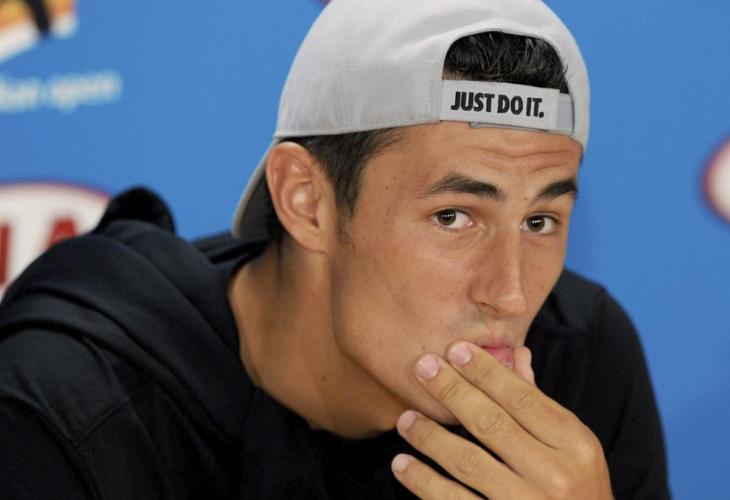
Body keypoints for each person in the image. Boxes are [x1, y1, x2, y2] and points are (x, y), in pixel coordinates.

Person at [0, 0, 670, 498]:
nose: (512, 294)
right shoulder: (66, 417)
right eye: (453, 216)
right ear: (306, 201)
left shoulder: (576, 360)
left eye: (540, 221)